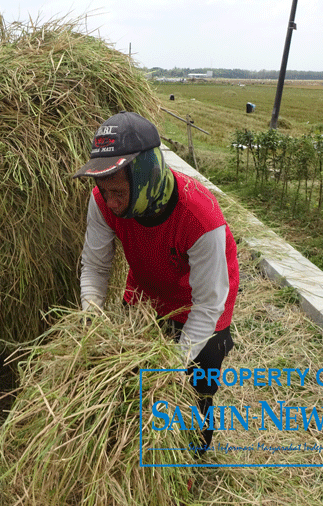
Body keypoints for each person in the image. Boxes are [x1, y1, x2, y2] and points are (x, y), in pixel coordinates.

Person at [72, 111, 239, 453]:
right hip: (146, 295)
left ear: (146, 175)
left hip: (202, 304)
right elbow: (95, 266)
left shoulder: (200, 217)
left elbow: (209, 305)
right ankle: (134, 452)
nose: (112, 202)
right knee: (133, 381)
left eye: (118, 191)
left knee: (195, 387)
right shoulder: (103, 200)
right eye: (105, 191)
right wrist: (92, 315)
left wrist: (172, 366)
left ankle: (192, 456)